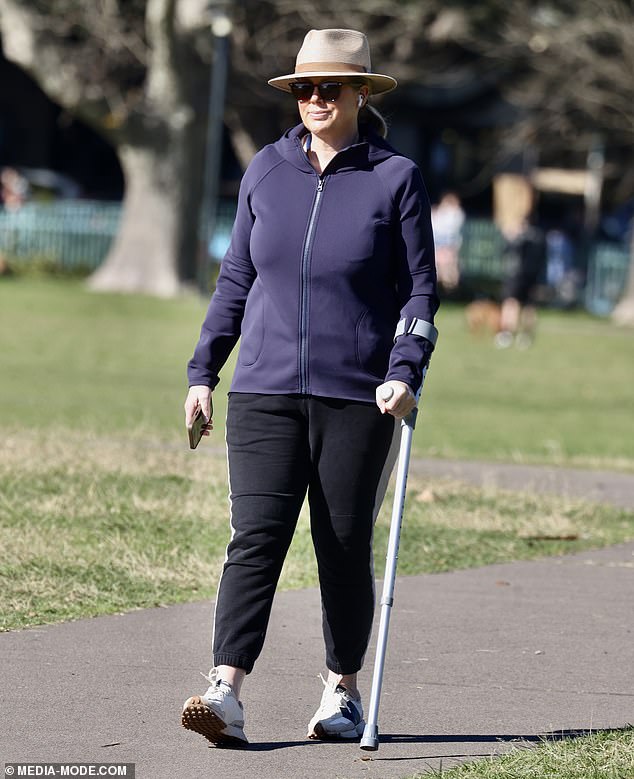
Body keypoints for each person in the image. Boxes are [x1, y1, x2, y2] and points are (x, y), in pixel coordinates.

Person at [181, 28, 439, 748]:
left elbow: (420, 291)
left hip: (359, 395)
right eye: (304, 89)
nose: (315, 100)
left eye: (330, 88)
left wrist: (403, 372)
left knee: (342, 544)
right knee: (254, 538)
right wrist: (204, 371)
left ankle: (342, 693)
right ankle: (225, 690)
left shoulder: (396, 177)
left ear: (362, 92)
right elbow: (237, 277)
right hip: (262, 390)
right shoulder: (266, 171)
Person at [495, 218, 547, 349]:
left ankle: (507, 333)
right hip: (533, 275)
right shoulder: (540, 236)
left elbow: (507, 251)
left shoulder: (521, 237)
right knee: (529, 305)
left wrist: (511, 237)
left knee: (511, 303)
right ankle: (526, 336)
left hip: (516, 275)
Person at [431, 191, 465, 291]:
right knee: (438, 267)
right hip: (438, 245)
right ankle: (441, 287)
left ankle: (451, 288)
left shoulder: (456, 214)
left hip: (449, 246)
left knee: (450, 268)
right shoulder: (437, 213)